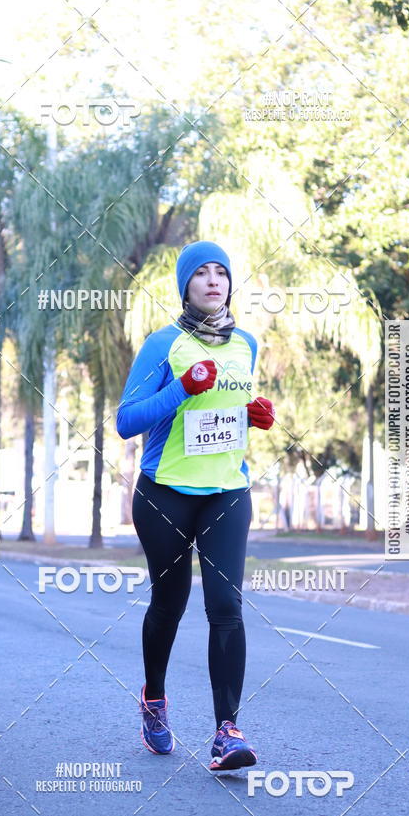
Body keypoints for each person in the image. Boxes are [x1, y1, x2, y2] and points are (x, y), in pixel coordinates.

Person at [116, 240, 275, 771]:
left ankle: (227, 732)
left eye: (221, 273)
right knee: (170, 603)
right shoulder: (162, 344)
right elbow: (126, 421)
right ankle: (154, 700)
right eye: (201, 273)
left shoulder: (245, 344)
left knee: (226, 606)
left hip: (227, 490)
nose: (213, 281)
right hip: (165, 493)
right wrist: (181, 387)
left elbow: (227, 412)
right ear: (185, 286)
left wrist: (253, 414)